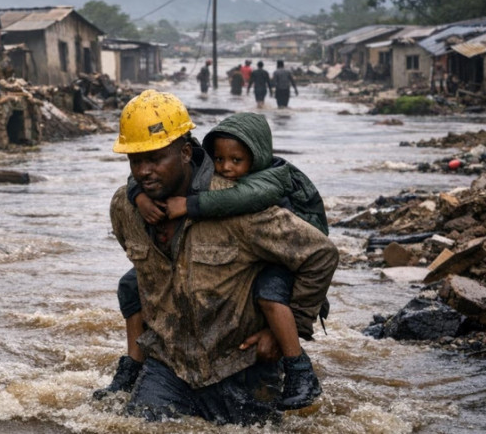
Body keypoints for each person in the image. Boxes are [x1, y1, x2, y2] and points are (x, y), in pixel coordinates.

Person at [106, 91, 337, 425]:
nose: (143, 171)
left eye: (155, 158)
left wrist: (289, 329)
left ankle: (300, 370)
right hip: (168, 369)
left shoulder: (234, 204)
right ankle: (131, 370)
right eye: (134, 160)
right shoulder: (126, 208)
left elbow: (320, 255)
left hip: (242, 369)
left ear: (186, 153)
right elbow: (142, 275)